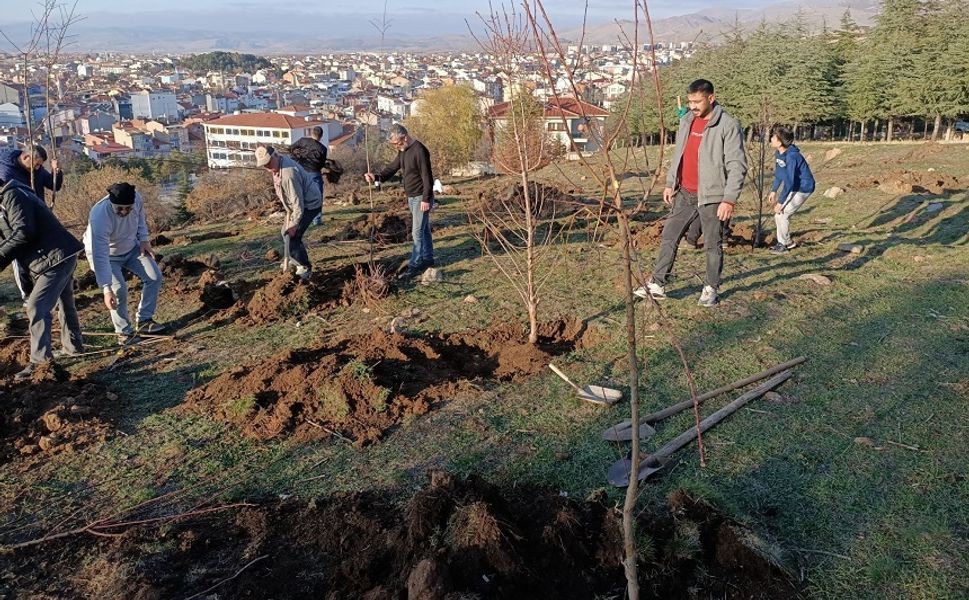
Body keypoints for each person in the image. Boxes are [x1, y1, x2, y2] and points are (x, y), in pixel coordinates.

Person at [635, 79, 747, 307]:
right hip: (684, 192)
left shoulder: (727, 125)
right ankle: (657, 283)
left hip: (713, 196)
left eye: (697, 102)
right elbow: (680, 154)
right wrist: (670, 182)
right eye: (690, 101)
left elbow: (737, 165)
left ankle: (710, 288)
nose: (693, 106)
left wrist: (729, 199)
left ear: (711, 98)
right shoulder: (687, 120)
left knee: (712, 244)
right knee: (669, 236)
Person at [0, 176, 84, 380]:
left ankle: (40, 362)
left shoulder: (13, 195)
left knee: (36, 307)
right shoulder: (9, 197)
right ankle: (73, 347)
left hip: (55, 257)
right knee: (65, 303)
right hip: (57, 255)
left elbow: (24, 232)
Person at [83, 182, 166, 345]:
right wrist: (106, 289)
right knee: (118, 289)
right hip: (106, 255)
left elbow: (141, 218)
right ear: (111, 204)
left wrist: (143, 240)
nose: (124, 212)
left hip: (131, 247)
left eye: (128, 208)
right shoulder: (99, 215)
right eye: (119, 209)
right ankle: (124, 333)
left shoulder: (137, 199)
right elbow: (99, 254)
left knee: (154, 276)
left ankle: (144, 321)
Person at [364, 124, 435, 280]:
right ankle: (428, 259)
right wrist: (376, 177)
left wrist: (426, 199)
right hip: (412, 197)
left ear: (404, 137)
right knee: (423, 230)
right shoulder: (403, 152)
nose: (395, 146)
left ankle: (415, 265)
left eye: (397, 143)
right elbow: (391, 168)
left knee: (417, 232)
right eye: (393, 144)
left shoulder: (420, 151)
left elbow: (427, 177)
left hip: (421, 198)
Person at [0, 145, 65, 299]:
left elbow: (53, 184)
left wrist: (57, 172)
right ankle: (27, 294)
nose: (38, 168)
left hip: (38, 215)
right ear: (25, 157)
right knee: (21, 255)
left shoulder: (36, 169)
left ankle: (46, 286)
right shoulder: (6, 172)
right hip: (17, 218)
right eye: (36, 164)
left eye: (40, 165)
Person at [255, 145, 321, 280]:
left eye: (268, 162)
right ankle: (294, 258)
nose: (267, 166)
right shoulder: (278, 165)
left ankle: (304, 267)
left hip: (310, 205)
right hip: (297, 205)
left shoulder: (288, 174)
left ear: (275, 155)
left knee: (292, 235)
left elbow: (298, 203)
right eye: (264, 164)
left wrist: (294, 223)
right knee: (284, 233)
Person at [767, 126, 815, 254]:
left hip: (803, 187)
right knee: (779, 215)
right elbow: (779, 173)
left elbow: (789, 182)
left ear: (780, 141)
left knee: (782, 213)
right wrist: (774, 190)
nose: (771, 139)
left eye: (773, 137)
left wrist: (781, 202)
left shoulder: (792, 156)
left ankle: (783, 245)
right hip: (794, 186)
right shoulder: (779, 153)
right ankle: (787, 242)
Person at [290, 125, 328, 227]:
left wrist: (296, 159)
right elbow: (322, 164)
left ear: (311, 133)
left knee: (301, 195)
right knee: (317, 196)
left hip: (301, 172)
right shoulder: (323, 149)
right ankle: (317, 219)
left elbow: (291, 148)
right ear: (321, 136)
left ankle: (301, 216)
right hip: (314, 173)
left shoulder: (303, 141)